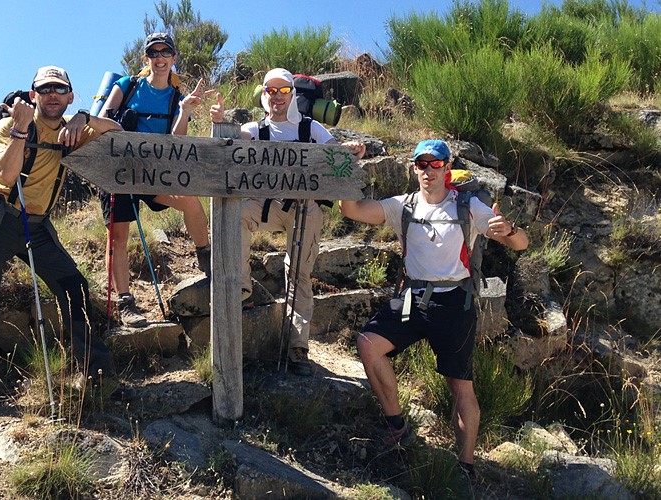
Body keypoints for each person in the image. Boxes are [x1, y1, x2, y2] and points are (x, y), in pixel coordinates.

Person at [339, 139, 529, 477]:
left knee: (460, 387)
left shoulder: (468, 206)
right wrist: (346, 165)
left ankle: (465, 465)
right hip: (412, 298)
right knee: (368, 344)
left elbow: (521, 243)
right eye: (421, 164)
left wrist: (510, 231)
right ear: (414, 168)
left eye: (436, 164)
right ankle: (398, 427)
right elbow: (351, 209)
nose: (428, 170)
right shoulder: (404, 205)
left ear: (447, 167)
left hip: (455, 303)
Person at [0, 66, 123, 421]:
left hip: (38, 225)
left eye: (59, 89)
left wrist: (84, 118)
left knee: (75, 288)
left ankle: (98, 374)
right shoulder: (9, 125)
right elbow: (8, 173)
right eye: (44, 89)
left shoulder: (74, 129)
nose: (51, 95)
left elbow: (119, 132)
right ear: (33, 95)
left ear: (69, 96)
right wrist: (19, 129)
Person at [209, 68, 365, 376]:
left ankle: (298, 346)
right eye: (271, 91)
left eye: (283, 91)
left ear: (292, 94)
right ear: (263, 95)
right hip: (265, 205)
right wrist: (218, 124)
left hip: (303, 209)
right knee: (237, 215)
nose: (277, 97)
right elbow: (224, 148)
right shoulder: (253, 128)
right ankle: (240, 287)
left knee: (299, 273)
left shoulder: (312, 128)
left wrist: (352, 150)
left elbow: (335, 153)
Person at [68, 32, 210, 328]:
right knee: (119, 237)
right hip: (118, 171)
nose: (159, 58)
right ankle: (125, 301)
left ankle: (205, 256)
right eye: (153, 53)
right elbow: (105, 123)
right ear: (146, 59)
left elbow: (176, 143)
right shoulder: (127, 86)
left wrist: (184, 111)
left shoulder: (176, 98)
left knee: (191, 202)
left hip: (153, 175)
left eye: (165, 52)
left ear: (173, 58)